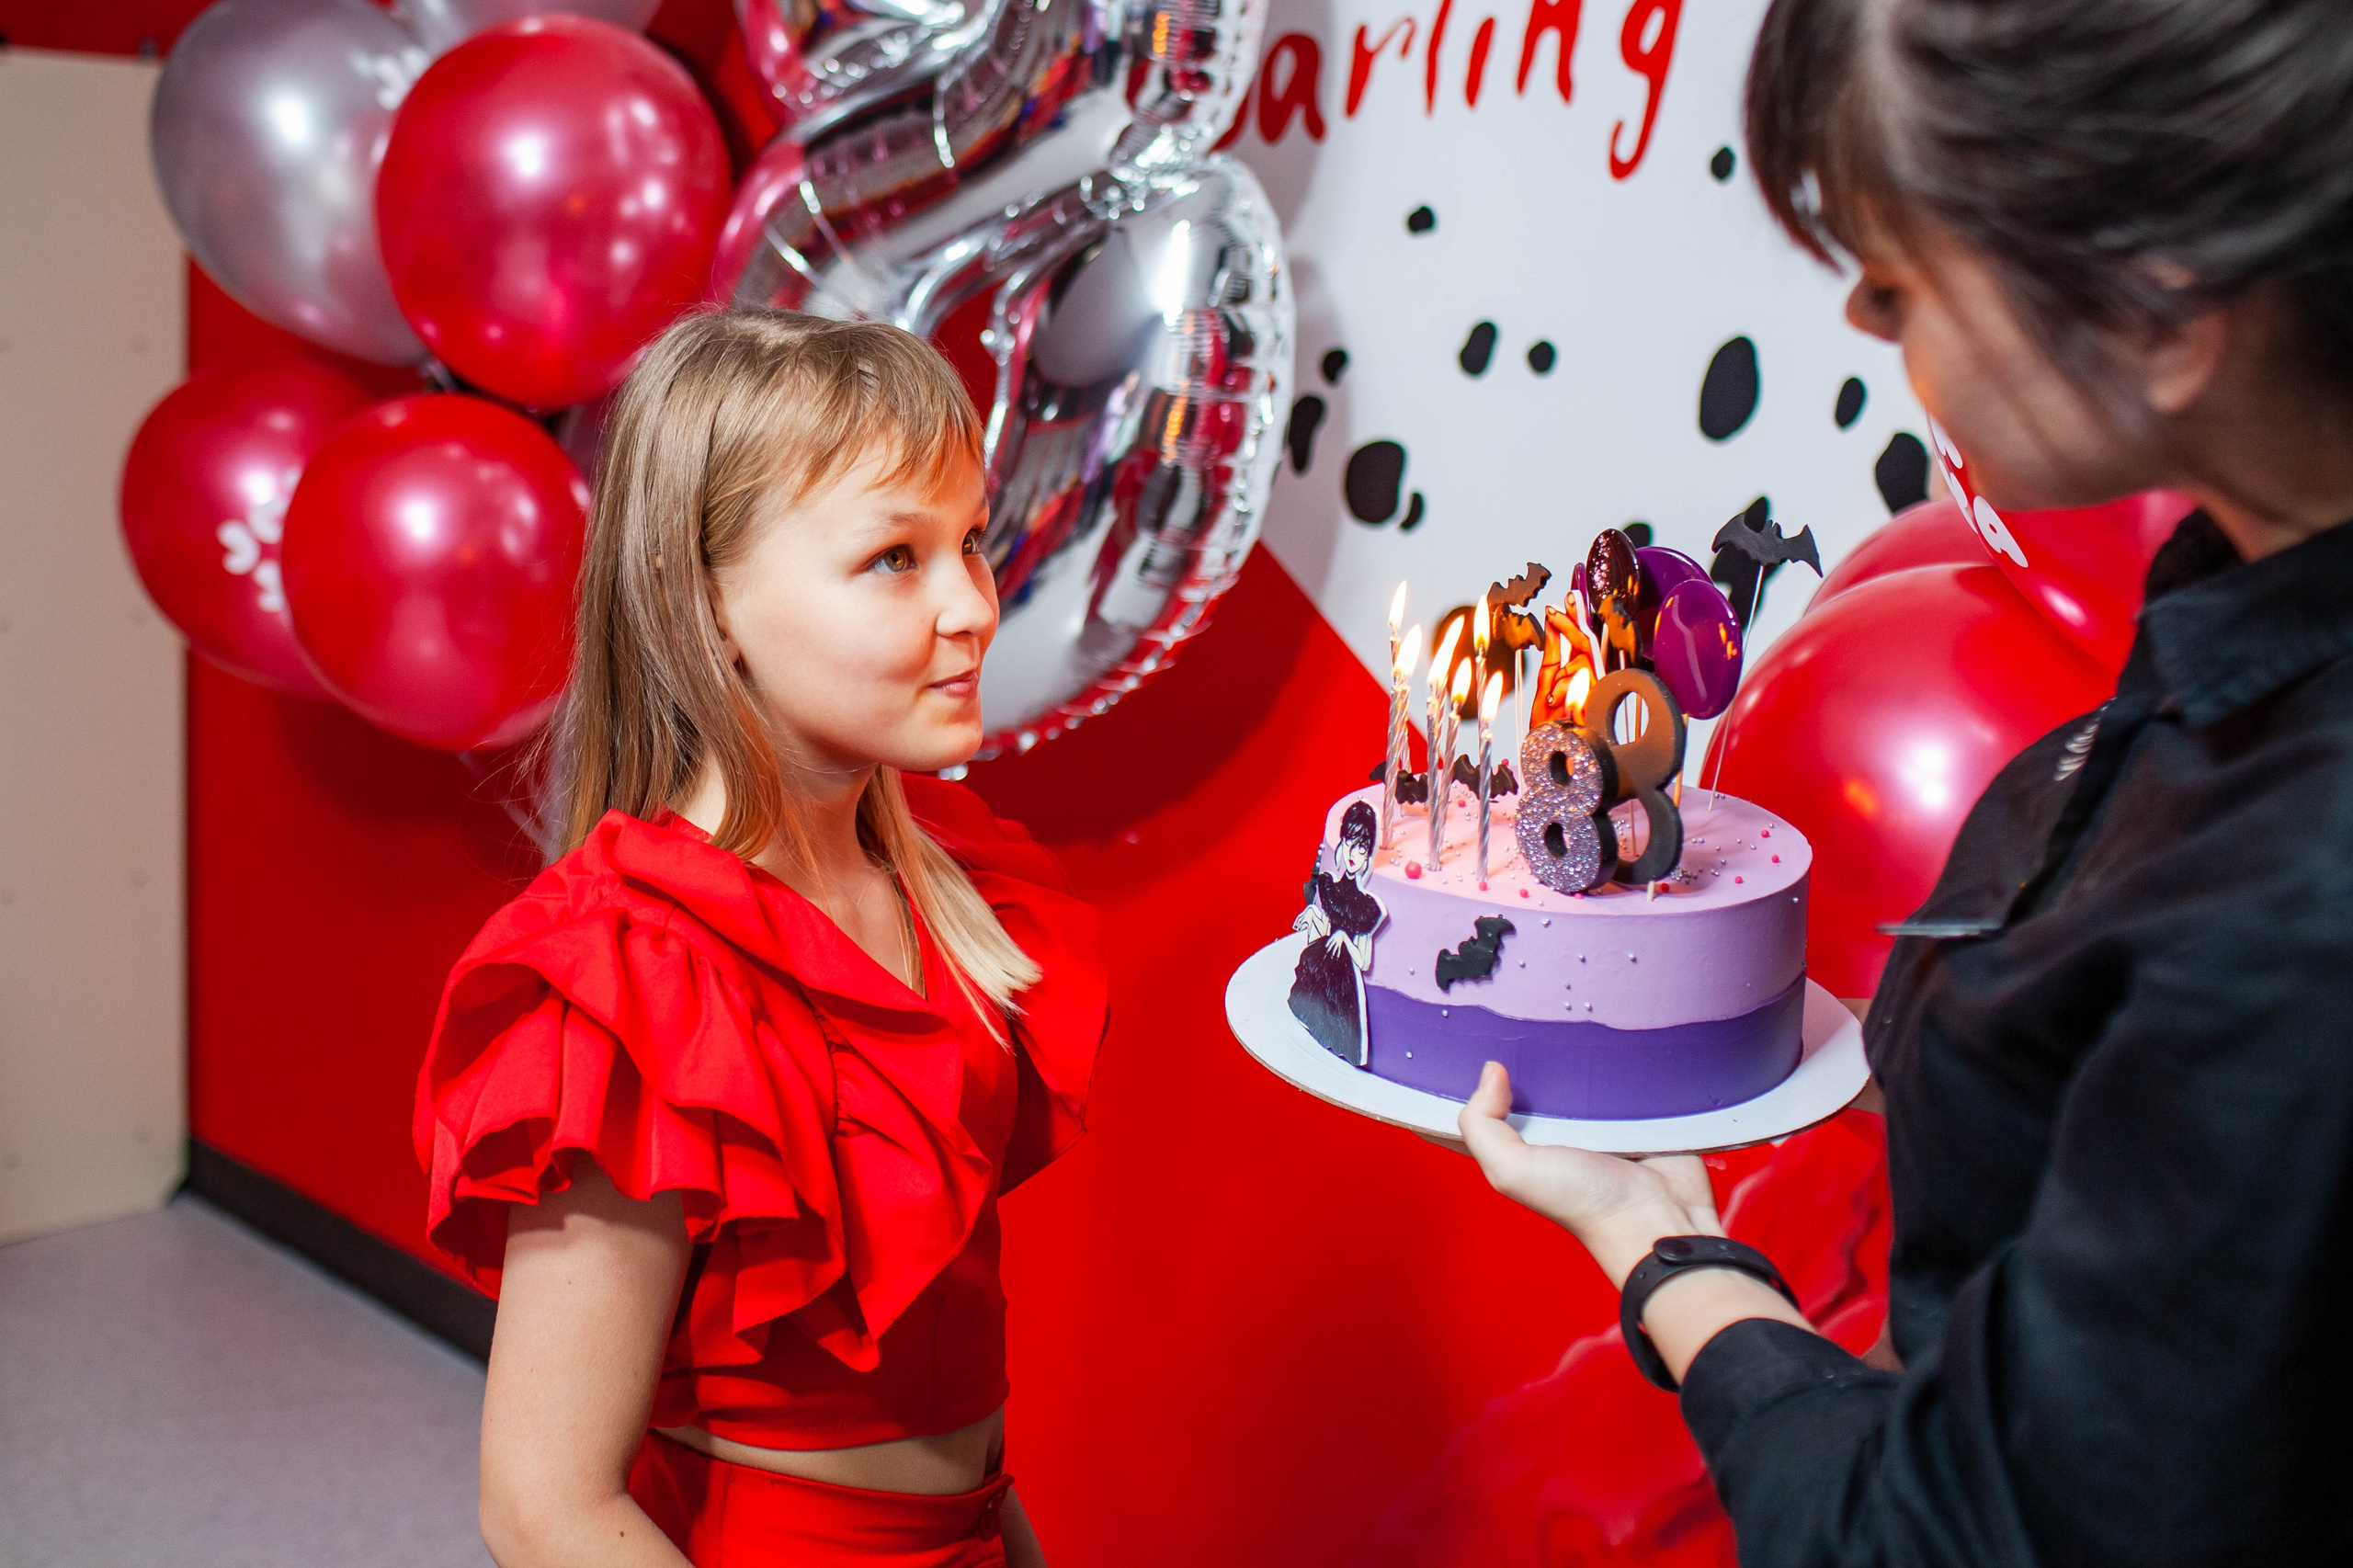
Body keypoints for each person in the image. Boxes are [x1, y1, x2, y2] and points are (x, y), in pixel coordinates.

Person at [1452, 0, 2353, 1562]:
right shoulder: (2238, 642)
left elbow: (1957, 1535)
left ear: (2159, 305)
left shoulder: (2290, 921)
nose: (1872, 327)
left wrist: (1675, 1270)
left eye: (1898, 273)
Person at [412, 310, 1105, 1568]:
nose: (974, 608)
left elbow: (936, 1382)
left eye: (972, 543)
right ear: (707, 603)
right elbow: (544, 1504)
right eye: (895, 557)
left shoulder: (951, 883)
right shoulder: (629, 982)